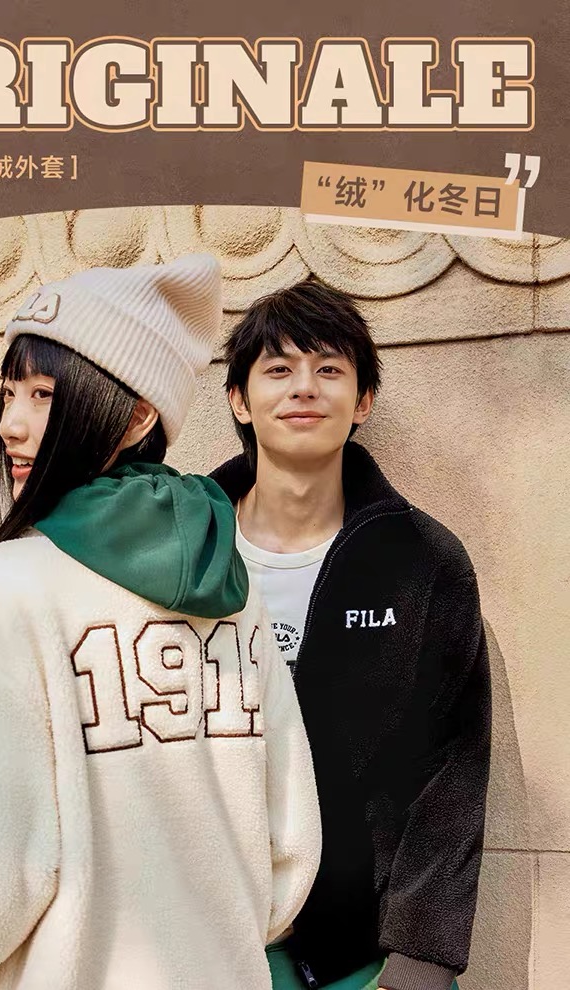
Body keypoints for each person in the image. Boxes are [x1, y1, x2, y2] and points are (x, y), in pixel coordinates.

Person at [0, 254, 321, 990]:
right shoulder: (230, 579)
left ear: (138, 414)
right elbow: (291, 839)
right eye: (9, 393)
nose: (10, 424)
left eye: (44, 395)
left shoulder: (12, 584)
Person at [211, 278, 491, 990]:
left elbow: (453, 764)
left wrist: (420, 964)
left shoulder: (422, 560)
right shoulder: (184, 553)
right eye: (278, 368)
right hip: (210, 936)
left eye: (329, 368)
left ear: (363, 400)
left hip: (365, 957)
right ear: (240, 399)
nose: (304, 387)